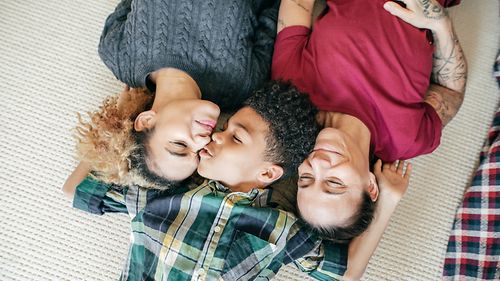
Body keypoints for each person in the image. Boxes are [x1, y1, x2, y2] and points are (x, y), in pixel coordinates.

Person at [65, 81, 413, 280]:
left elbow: (345, 273)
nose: (211, 137)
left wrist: (388, 205)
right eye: (222, 131)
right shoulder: (162, 188)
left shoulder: (280, 227)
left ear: (266, 175)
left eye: (231, 136)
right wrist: (132, 115)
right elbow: (79, 187)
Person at [272, 0, 467, 241]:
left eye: (306, 178)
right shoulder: (408, 139)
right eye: (334, 182)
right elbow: (451, 92)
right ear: (371, 186)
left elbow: (297, 4)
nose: (318, 163)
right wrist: (440, 24)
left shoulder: (291, 95)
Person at [71, 0, 280, 188]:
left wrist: (121, 113)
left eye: (180, 145)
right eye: (199, 154)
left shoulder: (117, 54)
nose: (202, 142)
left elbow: (71, 189)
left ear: (146, 121)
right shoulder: (242, 85)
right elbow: (274, 10)